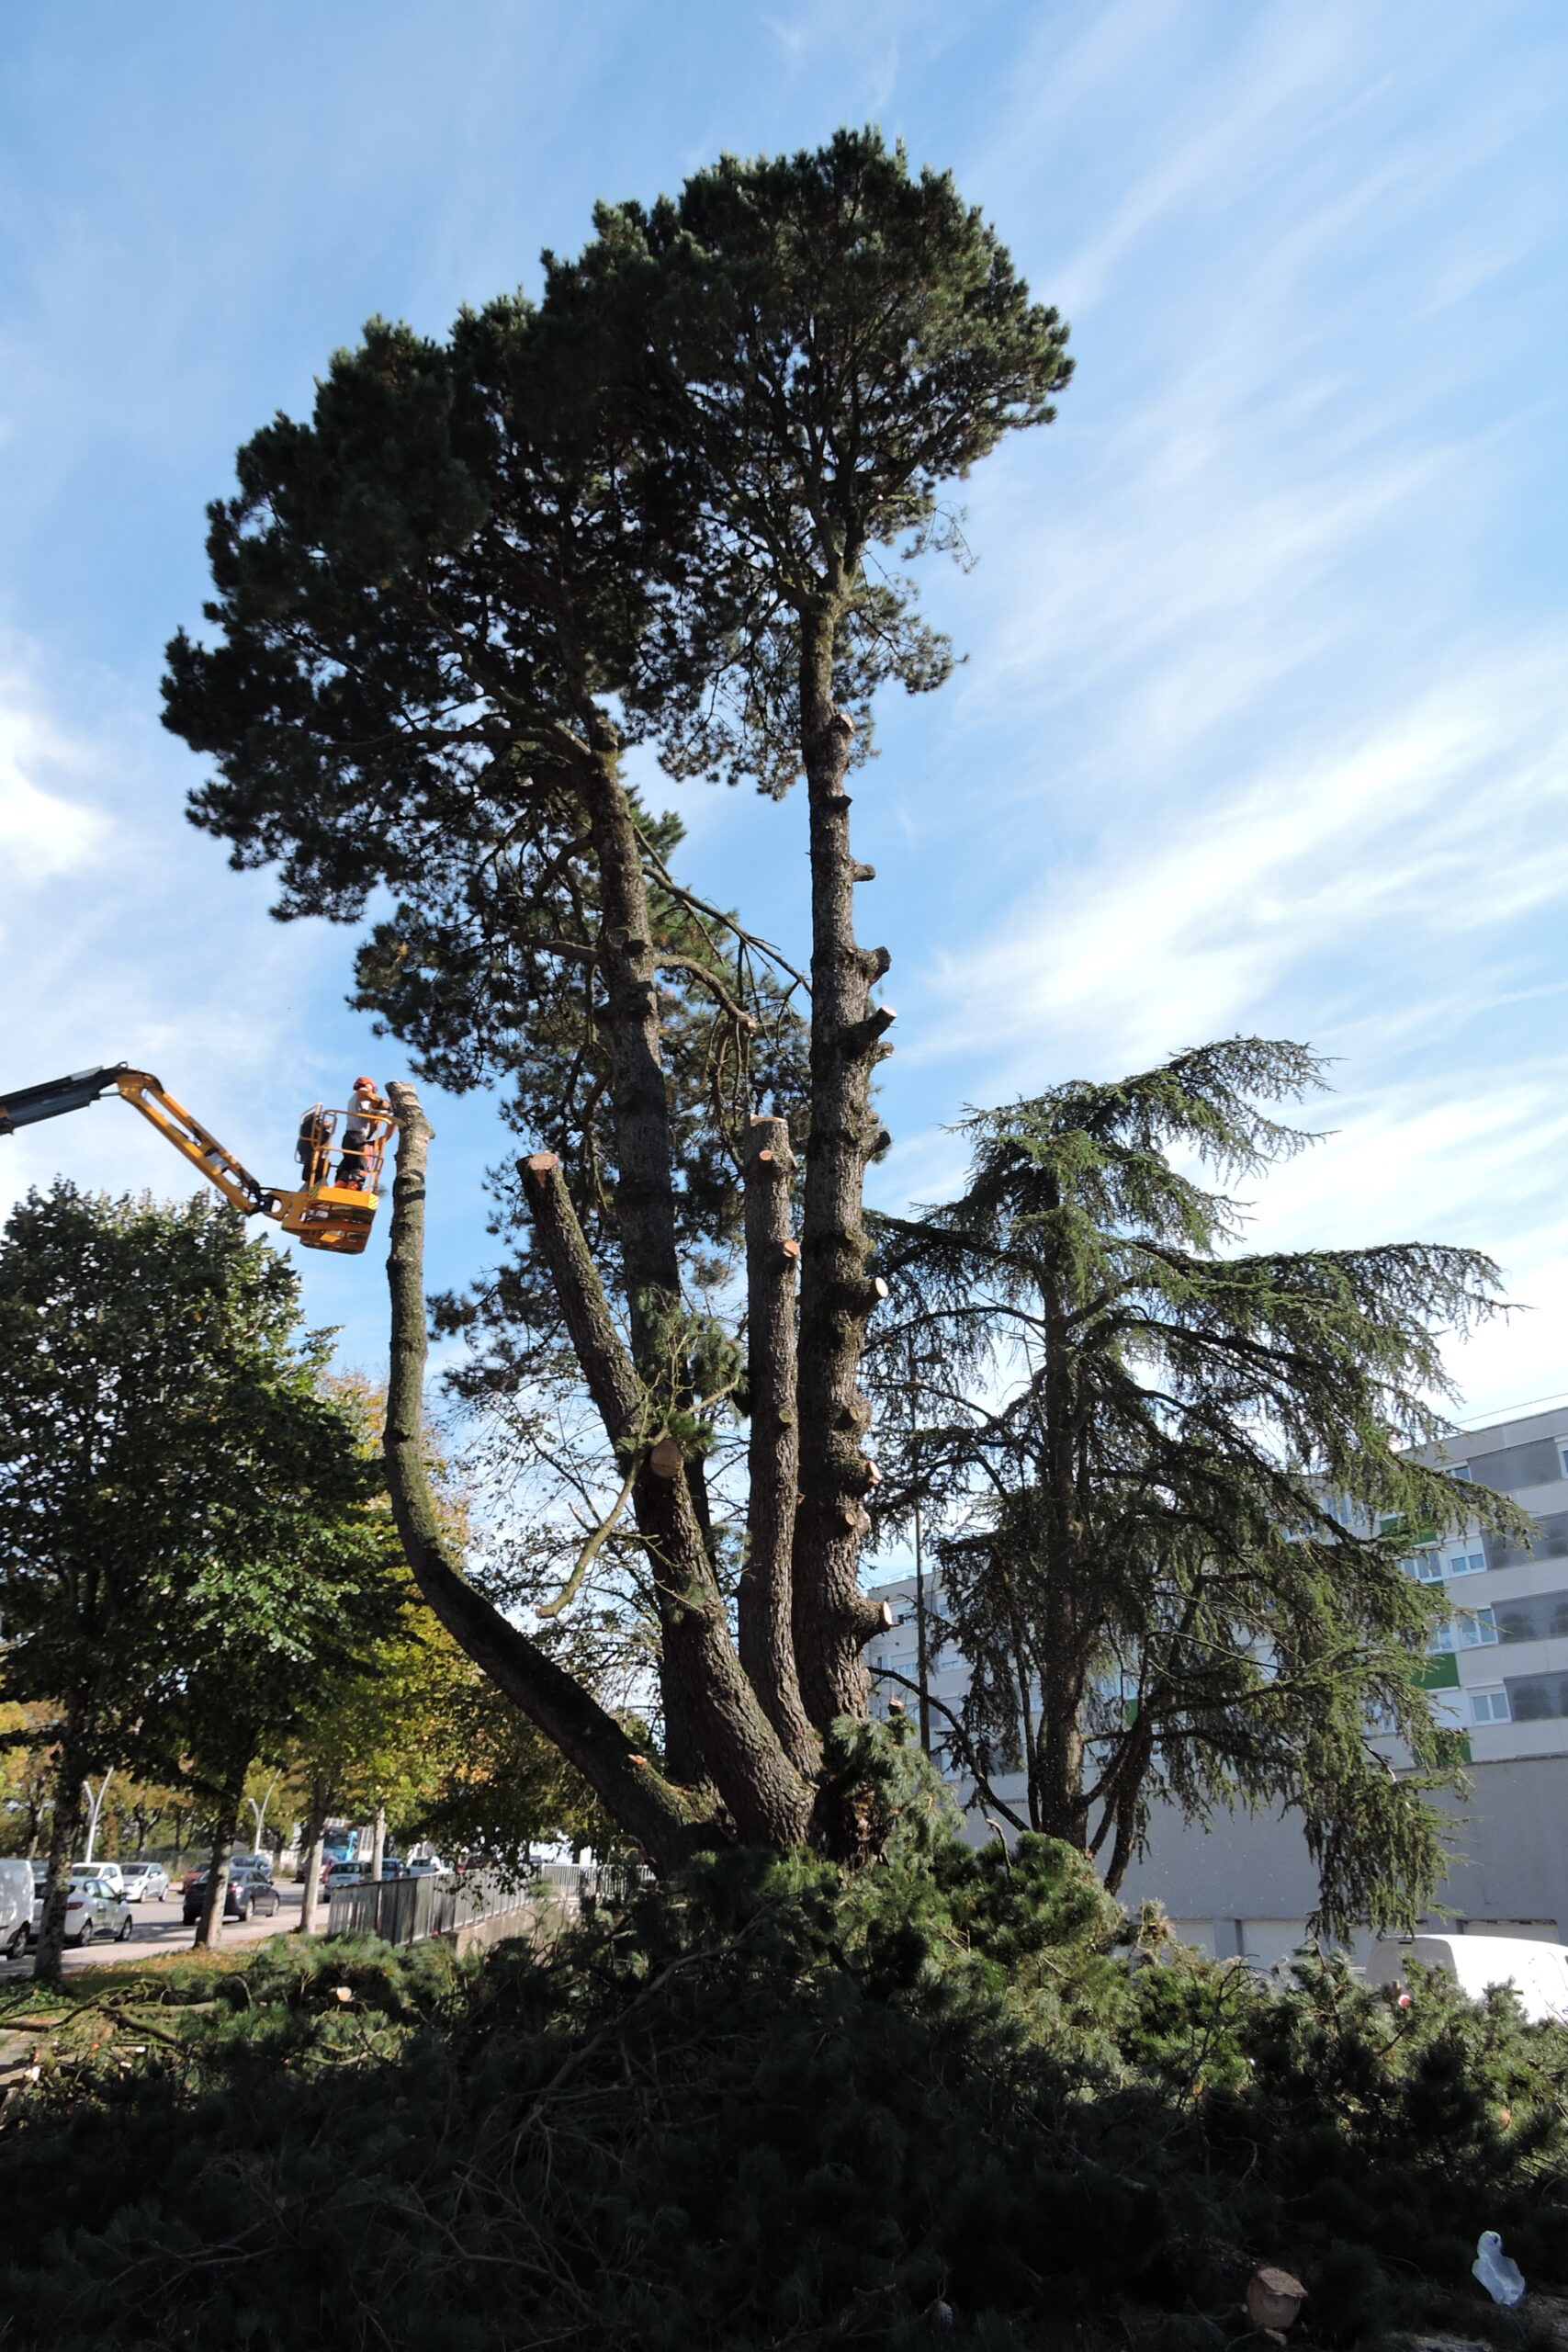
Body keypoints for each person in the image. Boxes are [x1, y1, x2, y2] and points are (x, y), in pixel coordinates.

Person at [337, 1076, 388, 1191]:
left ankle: (340, 1185)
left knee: (348, 1165)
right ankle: (353, 1187)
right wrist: (381, 1103)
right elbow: (363, 1093)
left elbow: (369, 1123)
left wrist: (376, 1120)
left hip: (348, 1138)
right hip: (357, 1136)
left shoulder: (354, 1100)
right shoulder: (362, 1093)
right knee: (361, 1166)